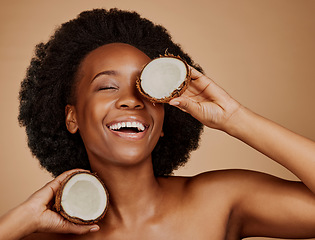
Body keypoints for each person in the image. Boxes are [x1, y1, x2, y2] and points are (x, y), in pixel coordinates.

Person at [1, 8, 315, 240]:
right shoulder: (42, 233)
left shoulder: (219, 200)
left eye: (145, 89)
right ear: (72, 117)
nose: (131, 100)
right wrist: (19, 221)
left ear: (163, 120)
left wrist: (235, 118)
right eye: (108, 86)